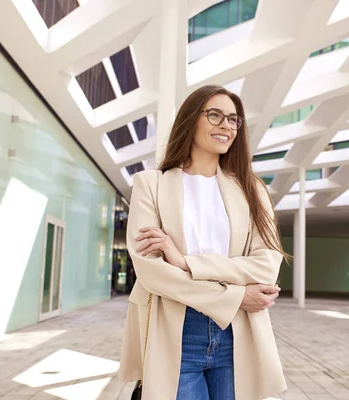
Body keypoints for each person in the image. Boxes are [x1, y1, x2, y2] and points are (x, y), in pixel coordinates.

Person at [118, 85, 288, 400]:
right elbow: (152, 272)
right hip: (176, 333)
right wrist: (236, 297)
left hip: (238, 336)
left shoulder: (252, 190)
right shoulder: (151, 185)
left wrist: (186, 262)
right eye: (215, 115)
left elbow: (267, 264)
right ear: (191, 120)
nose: (226, 125)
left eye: (234, 120)